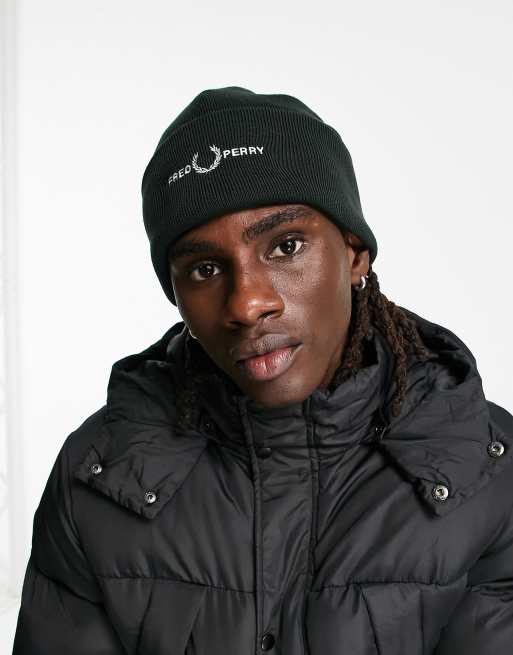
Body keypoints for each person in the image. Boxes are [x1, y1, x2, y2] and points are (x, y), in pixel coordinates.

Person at [12, 86, 513, 654]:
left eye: (286, 246)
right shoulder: (101, 478)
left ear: (354, 254)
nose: (247, 303)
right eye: (204, 269)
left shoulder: (485, 471)